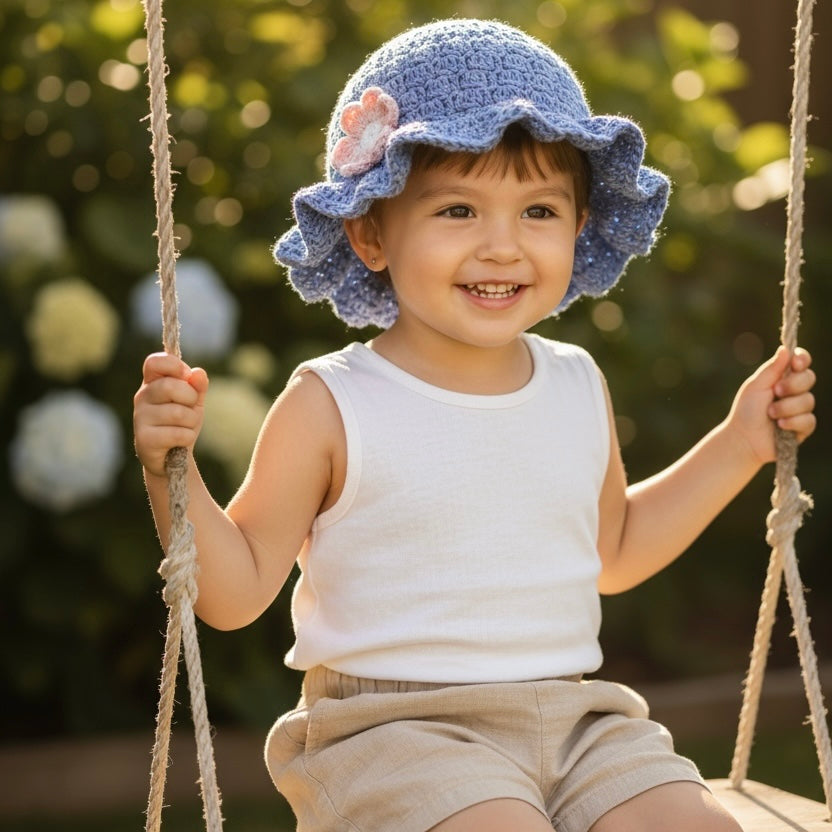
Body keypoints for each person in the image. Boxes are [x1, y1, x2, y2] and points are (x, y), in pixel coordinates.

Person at [133, 19, 817, 832]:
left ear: (580, 223)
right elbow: (237, 591)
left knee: (698, 826)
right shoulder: (332, 403)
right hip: (396, 731)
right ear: (370, 231)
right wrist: (165, 469)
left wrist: (740, 442)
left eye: (538, 210)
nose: (503, 247)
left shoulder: (574, 382)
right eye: (458, 209)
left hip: (578, 723)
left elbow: (616, 550)